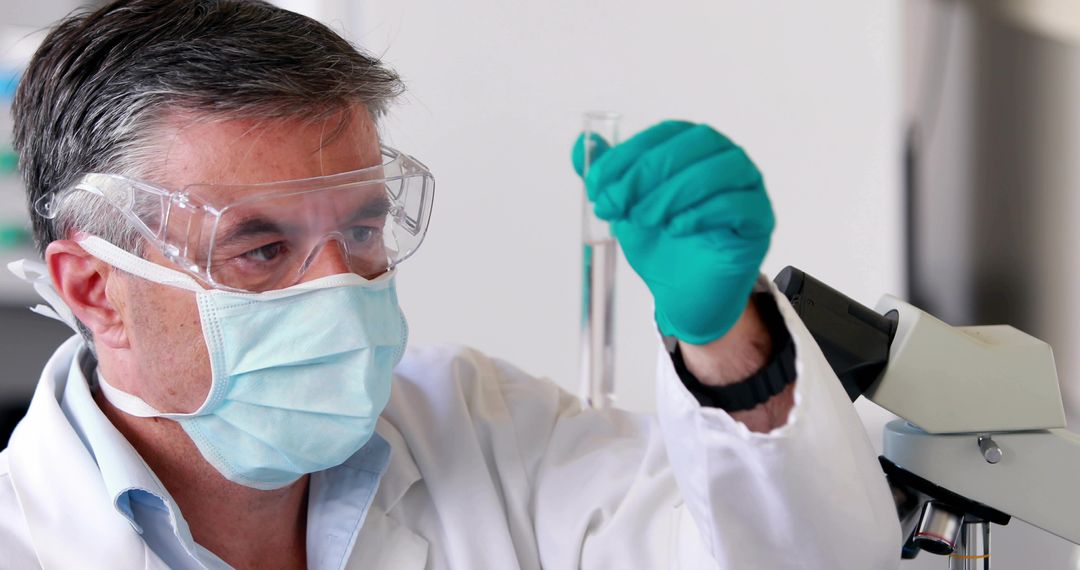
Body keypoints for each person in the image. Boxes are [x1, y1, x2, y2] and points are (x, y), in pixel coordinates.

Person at [0, 1, 901, 568]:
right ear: (95, 290)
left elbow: (800, 557)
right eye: (262, 249)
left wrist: (726, 339)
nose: (340, 290)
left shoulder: (484, 429)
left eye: (362, 231)